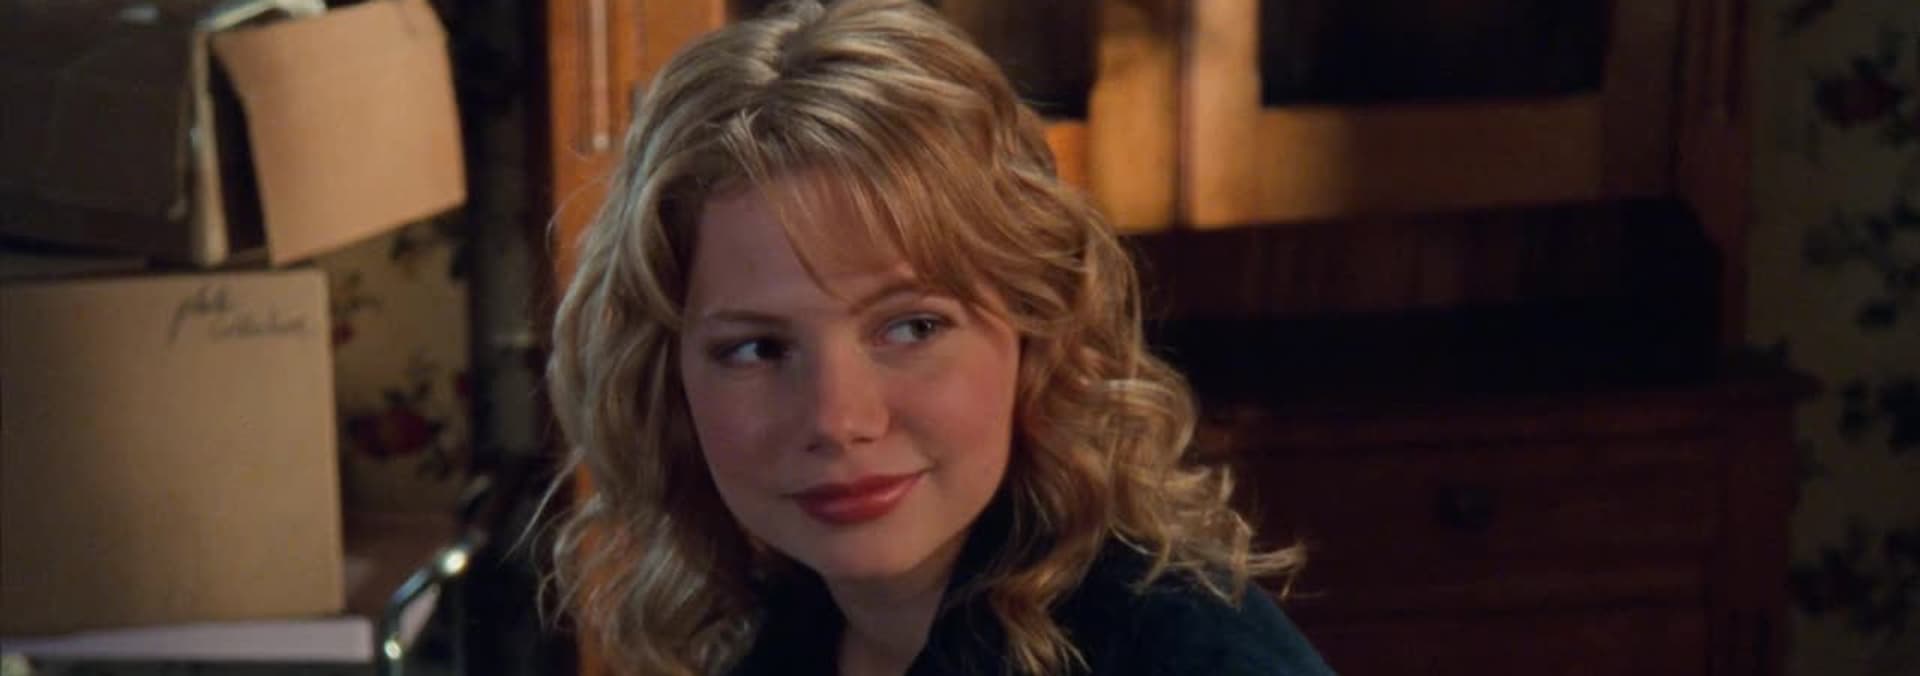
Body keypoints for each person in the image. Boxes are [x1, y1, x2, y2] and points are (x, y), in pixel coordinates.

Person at [545, 1, 1334, 674]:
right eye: (757, 348)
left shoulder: (1190, 654)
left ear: (1037, 327)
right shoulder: (789, 633)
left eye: (911, 327)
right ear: (668, 378)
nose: (838, 418)